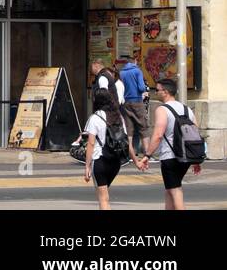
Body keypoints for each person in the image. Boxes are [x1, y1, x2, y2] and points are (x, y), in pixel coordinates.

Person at [139, 78, 203, 210]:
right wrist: (195, 160)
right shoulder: (187, 110)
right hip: (185, 157)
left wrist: (147, 155)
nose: (155, 92)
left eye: (157, 90)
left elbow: (157, 135)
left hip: (170, 157)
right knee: (170, 190)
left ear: (166, 92)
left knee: (175, 190)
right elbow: (195, 134)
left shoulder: (162, 110)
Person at [83, 87, 141, 209]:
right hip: (115, 162)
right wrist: (136, 161)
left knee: (103, 199)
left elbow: (91, 144)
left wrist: (87, 166)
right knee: (103, 195)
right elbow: (126, 141)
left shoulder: (95, 118)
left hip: (100, 160)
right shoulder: (118, 117)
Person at [117, 53, 149, 147]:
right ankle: (147, 152)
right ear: (135, 61)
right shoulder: (137, 71)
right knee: (143, 126)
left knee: (129, 127)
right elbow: (142, 88)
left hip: (126, 102)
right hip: (137, 101)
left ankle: (129, 152)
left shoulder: (121, 72)